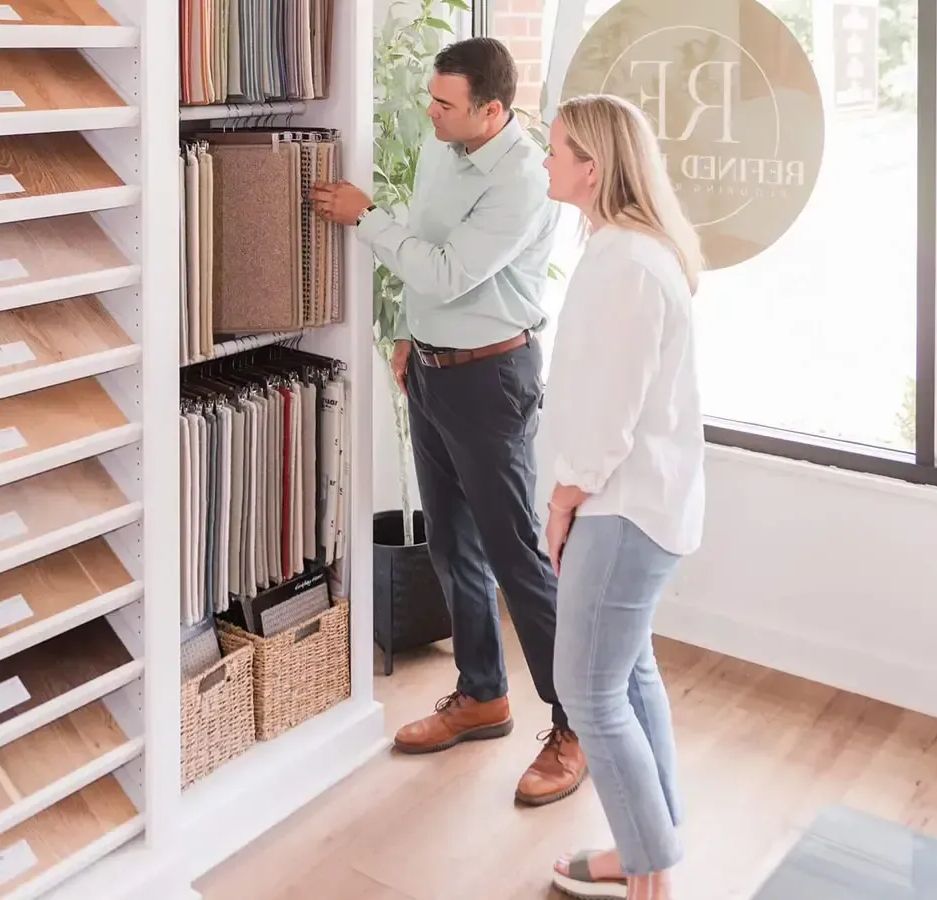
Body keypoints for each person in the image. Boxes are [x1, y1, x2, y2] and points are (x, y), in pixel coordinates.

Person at [310, 37, 586, 807]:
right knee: (454, 548)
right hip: (431, 367)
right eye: (430, 97)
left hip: (493, 379)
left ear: (492, 110)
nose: (427, 111)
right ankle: (483, 695)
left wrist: (364, 217)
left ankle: (576, 725)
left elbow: (444, 268)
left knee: (516, 558)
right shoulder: (443, 143)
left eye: (445, 103)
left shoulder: (525, 182)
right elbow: (427, 251)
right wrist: (407, 332)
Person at [537, 93, 705, 900]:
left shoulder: (630, 264)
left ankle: (649, 875)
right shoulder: (623, 250)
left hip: (622, 509)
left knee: (589, 692)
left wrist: (564, 499)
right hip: (636, 504)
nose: (545, 159)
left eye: (556, 148)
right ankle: (649, 848)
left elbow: (611, 413)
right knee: (628, 678)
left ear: (592, 167)